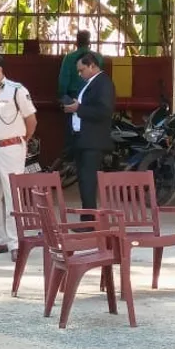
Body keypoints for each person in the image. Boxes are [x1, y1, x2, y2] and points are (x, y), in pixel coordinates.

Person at [0, 54, 37, 260]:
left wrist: (22, 140)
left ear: (0, 70)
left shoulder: (16, 90)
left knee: (13, 197)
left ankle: (15, 243)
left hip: (11, 149)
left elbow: (31, 120)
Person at [62, 51, 114, 216]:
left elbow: (104, 111)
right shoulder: (89, 83)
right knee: (84, 182)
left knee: (88, 181)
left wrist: (79, 108)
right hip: (82, 139)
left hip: (93, 141)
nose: (79, 74)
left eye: (81, 70)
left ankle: (90, 221)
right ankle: (87, 219)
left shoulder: (103, 83)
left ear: (92, 66)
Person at [57, 31, 103, 157]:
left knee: (72, 134)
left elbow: (63, 82)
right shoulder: (98, 58)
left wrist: (62, 97)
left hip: (73, 98)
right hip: (93, 99)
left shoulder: (70, 58)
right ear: (89, 42)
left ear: (76, 42)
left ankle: (71, 162)